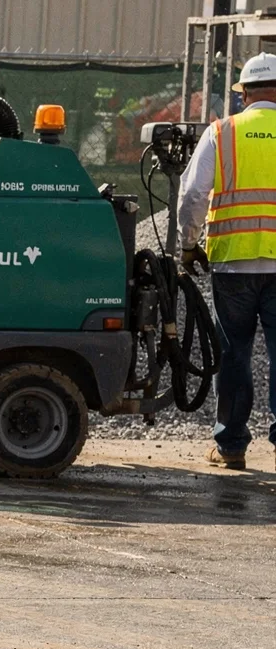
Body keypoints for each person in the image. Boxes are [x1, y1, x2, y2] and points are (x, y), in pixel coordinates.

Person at [180, 53, 276, 470]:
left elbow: (193, 196)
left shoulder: (223, 132)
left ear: (244, 94)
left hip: (233, 266)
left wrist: (187, 244)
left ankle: (231, 446)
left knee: (234, 354)